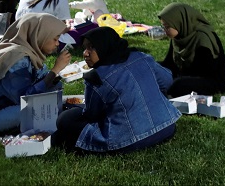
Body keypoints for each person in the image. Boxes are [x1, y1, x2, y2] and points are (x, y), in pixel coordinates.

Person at [51, 27, 179, 154]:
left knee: (66, 119)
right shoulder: (141, 57)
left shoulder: (97, 77)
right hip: (166, 126)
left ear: (104, 47)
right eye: (85, 48)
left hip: (130, 139)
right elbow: (167, 81)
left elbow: (92, 114)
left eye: (91, 47)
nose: (85, 53)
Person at [158, 3, 225, 97]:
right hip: (186, 75)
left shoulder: (202, 39)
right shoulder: (179, 36)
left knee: (178, 85)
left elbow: (204, 72)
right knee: (153, 70)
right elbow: (170, 64)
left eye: (167, 27)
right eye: (163, 27)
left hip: (209, 80)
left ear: (179, 22)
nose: (164, 30)